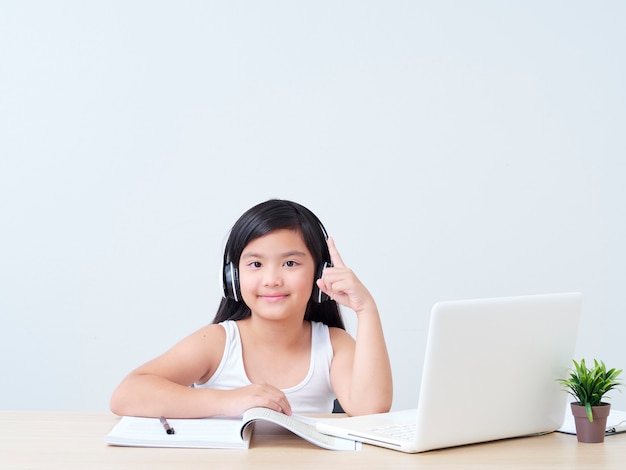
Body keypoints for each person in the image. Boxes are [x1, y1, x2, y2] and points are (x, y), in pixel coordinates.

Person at [110, 199, 393, 418]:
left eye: (290, 263)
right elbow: (126, 395)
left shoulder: (331, 345)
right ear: (233, 277)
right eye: (256, 264)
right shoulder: (219, 342)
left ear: (319, 272)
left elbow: (370, 408)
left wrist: (365, 310)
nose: (272, 280)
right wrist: (230, 401)